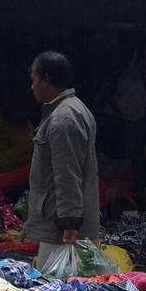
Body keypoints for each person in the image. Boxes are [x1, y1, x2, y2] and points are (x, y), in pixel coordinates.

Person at [23, 51, 100, 263]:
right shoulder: (68, 111)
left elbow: (67, 174)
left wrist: (69, 223)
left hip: (61, 231)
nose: (32, 87)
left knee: (53, 289)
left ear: (46, 80)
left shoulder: (64, 118)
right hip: (61, 226)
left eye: (34, 80)